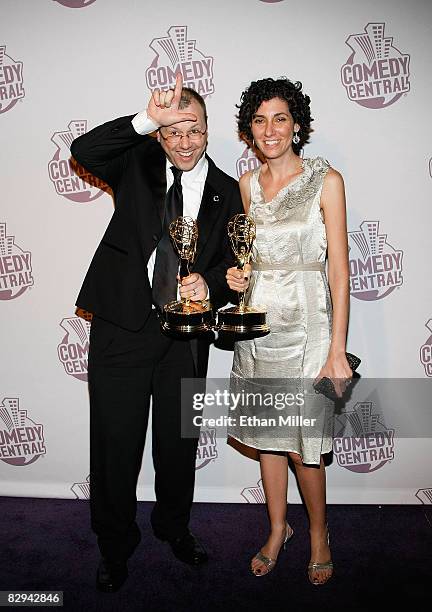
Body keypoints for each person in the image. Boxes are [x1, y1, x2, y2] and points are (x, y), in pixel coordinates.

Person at [70, 74, 242, 592]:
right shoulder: (137, 161)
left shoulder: (229, 191)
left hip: (185, 339)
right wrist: (147, 119)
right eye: (174, 131)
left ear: (209, 131)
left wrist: (208, 287)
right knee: (115, 444)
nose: (185, 141)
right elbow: (84, 149)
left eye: (194, 129)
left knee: (178, 444)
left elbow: (237, 265)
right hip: (122, 326)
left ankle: (174, 527)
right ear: (162, 136)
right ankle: (114, 544)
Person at [226, 77, 351, 585]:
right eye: (259, 120)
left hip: (310, 328)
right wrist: (239, 278)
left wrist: (337, 349)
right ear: (248, 131)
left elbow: (340, 269)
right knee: (268, 438)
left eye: (279, 118)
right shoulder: (247, 185)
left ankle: (319, 532)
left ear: (297, 125)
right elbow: (250, 260)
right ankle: (278, 529)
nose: (269, 129)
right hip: (259, 327)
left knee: (306, 444)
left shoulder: (328, 181)